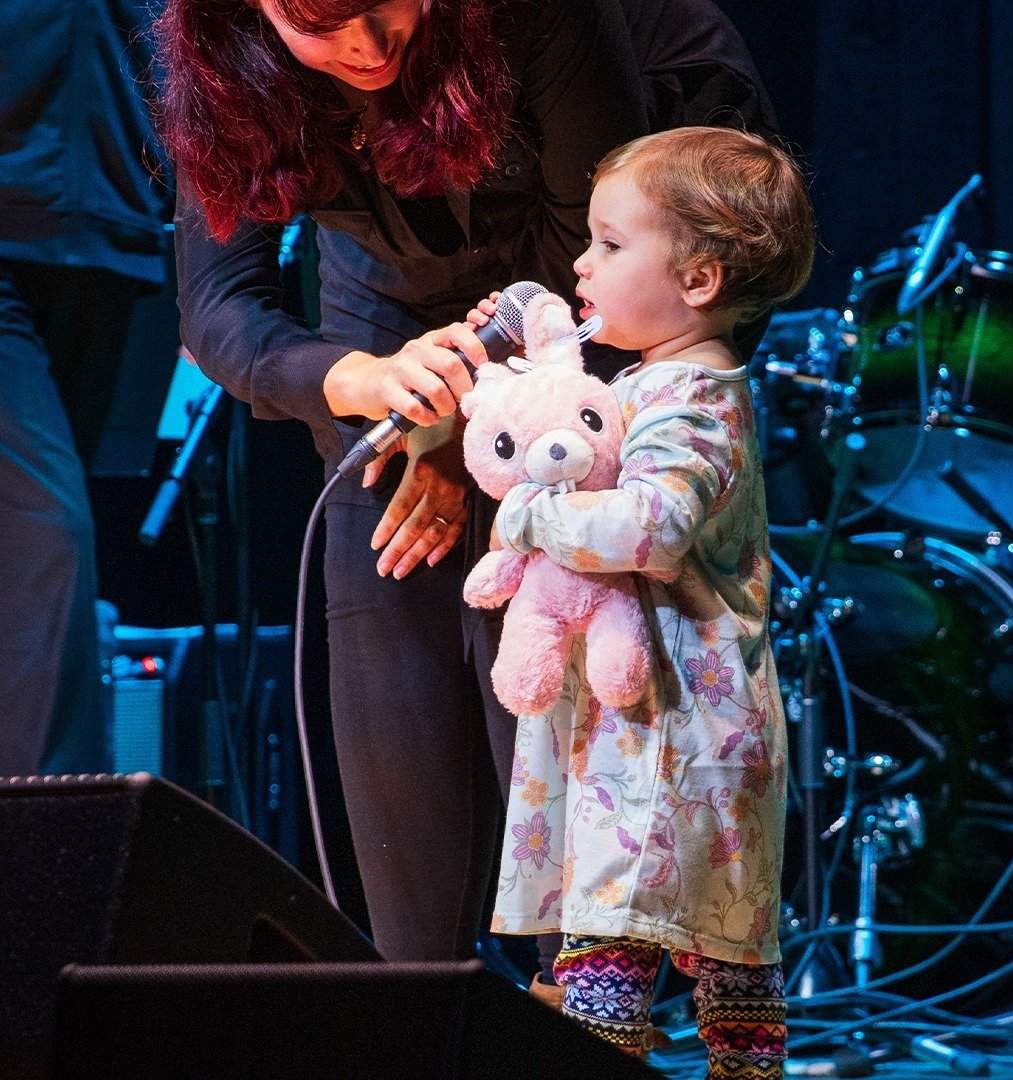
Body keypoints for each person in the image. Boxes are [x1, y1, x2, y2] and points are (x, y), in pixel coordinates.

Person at [152, 0, 778, 980]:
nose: (363, 49)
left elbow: (593, 258)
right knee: (390, 626)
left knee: (552, 679)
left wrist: (461, 434)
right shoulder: (231, 63)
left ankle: (579, 1003)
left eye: (378, 8)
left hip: (619, 274)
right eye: (320, 26)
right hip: (406, 297)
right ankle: (421, 990)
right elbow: (219, 307)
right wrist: (351, 383)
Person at [480, 127, 814, 1078]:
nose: (581, 263)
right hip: (656, 732)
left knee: (619, 964)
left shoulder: (696, 397)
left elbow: (654, 526)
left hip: (679, 732)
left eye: (609, 244)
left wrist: (534, 514)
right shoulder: (652, 382)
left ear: (700, 279)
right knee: (707, 963)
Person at [0, 1, 172, 777]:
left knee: (38, 572)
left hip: (105, 231)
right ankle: (56, 862)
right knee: (49, 545)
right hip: (18, 217)